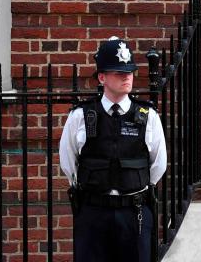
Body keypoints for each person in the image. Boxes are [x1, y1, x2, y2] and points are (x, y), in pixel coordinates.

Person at [59, 37, 167, 262]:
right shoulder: (81, 116)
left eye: (129, 71)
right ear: (102, 77)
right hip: (93, 212)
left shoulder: (148, 117)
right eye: (119, 72)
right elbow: (68, 163)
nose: (126, 77)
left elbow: (158, 165)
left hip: (134, 213)